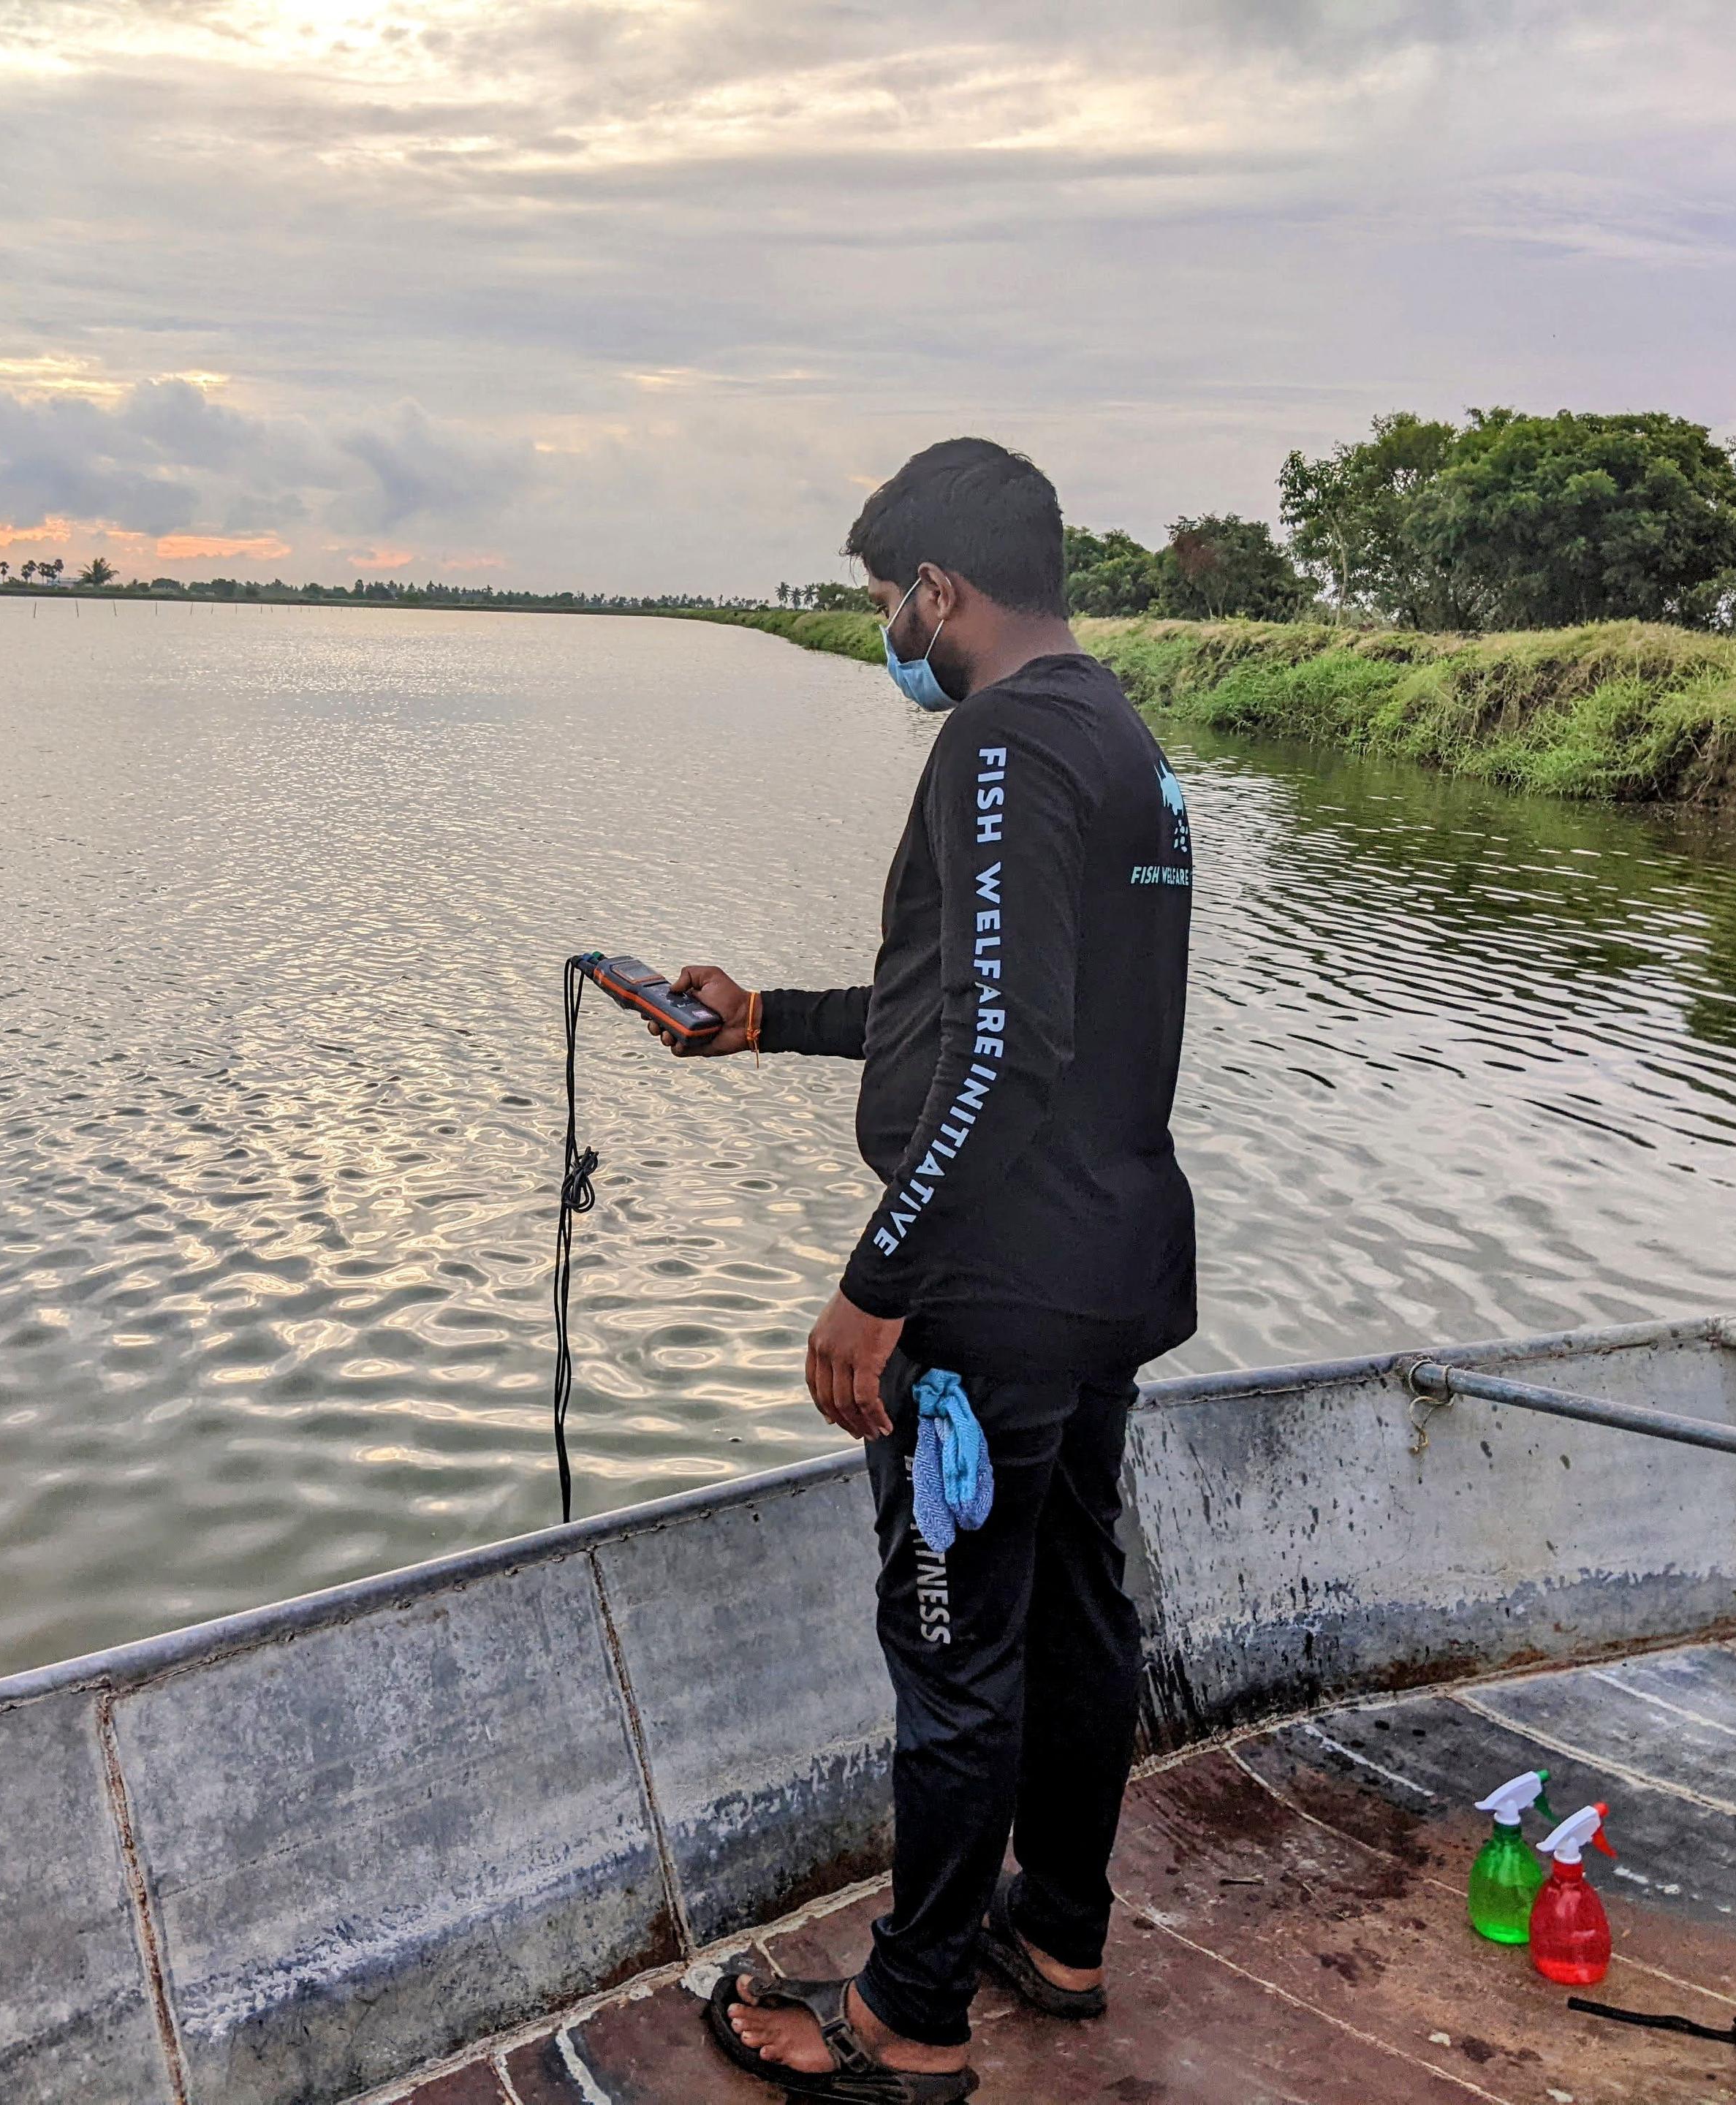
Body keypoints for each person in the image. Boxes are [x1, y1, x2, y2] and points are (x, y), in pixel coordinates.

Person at [654, 438, 1197, 2100]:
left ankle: (904, 2019)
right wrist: (764, 1022)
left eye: (889, 598)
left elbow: (1003, 1054)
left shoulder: (996, 745)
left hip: (990, 1289)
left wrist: (877, 1281)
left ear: (939, 592)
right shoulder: (1117, 736)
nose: (889, 626)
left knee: (953, 1638)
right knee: (1078, 1606)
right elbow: (987, 1016)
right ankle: (1059, 1930)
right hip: (1106, 1267)